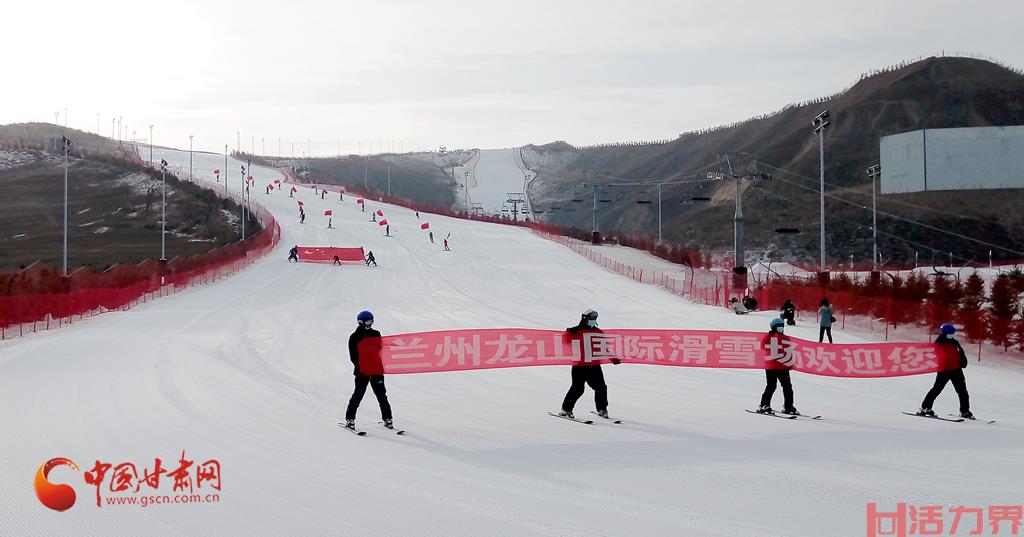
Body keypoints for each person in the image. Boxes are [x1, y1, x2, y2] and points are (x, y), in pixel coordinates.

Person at [558, 309, 619, 419]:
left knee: (601, 387)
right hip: (579, 365)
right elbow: (564, 342)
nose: (593, 320)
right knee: (578, 388)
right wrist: (567, 333)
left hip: (594, 366)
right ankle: (566, 409)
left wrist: (613, 358)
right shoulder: (575, 331)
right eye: (591, 318)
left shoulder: (598, 332)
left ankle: (602, 409)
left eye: (595, 319)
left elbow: (604, 346)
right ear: (585, 318)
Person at [344, 310, 394, 429]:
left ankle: (388, 419)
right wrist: (363, 367)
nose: (370, 323)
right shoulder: (354, 337)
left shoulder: (376, 333)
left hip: (376, 370)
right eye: (367, 321)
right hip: (362, 372)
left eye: (371, 320)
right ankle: (350, 419)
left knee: (382, 395)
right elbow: (353, 357)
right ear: (360, 322)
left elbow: (379, 350)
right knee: (358, 394)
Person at [917, 323, 972, 418]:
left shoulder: (955, 342)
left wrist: (963, 361)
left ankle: (965, 411)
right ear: (944, 333)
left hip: (956, 370)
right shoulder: (939, 343)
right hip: (944, 370)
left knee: (963, 392)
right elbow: (935, 355)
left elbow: (960, 352)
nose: (952, 335)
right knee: (937, 389)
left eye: (953, 333)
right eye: (950, 333)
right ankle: (925, 408)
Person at [757, 318, 798, 415]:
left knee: (787, 387)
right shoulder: (768, 337)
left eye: (782, 326)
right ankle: (764, 405)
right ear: (774, 327)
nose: (781, 328)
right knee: (771, 385)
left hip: (783, 366)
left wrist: (790, 363)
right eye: (779, 327)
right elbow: (763, 346)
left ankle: (788, 406)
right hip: (772, 365)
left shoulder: (785, 338)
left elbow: (789, 351)